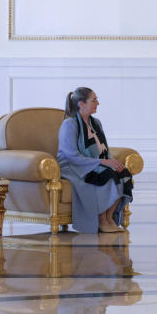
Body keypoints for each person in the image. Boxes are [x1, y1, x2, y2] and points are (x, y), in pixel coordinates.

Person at [57, 87, 134, 233]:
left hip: (93, 163)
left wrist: (111, 162)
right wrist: (101, 163)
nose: (98, 103)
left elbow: (104, 150)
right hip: (73, 166)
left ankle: (109, 218)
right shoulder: (69, 125)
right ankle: (101, 220)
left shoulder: (96, 123)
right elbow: (71, 156)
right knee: (107, 175)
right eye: (94, 100)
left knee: (123, 173)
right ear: (82, 104)